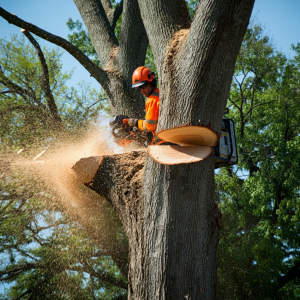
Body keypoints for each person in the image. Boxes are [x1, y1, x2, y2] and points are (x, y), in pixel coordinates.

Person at [123, 66, 161, 144]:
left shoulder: (152, 100)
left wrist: (135, 123)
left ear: (151, 82)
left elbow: (150, 125)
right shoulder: (160, 94)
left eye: (143, 86)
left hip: (163, 142)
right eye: (138, 88)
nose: (142, 90)